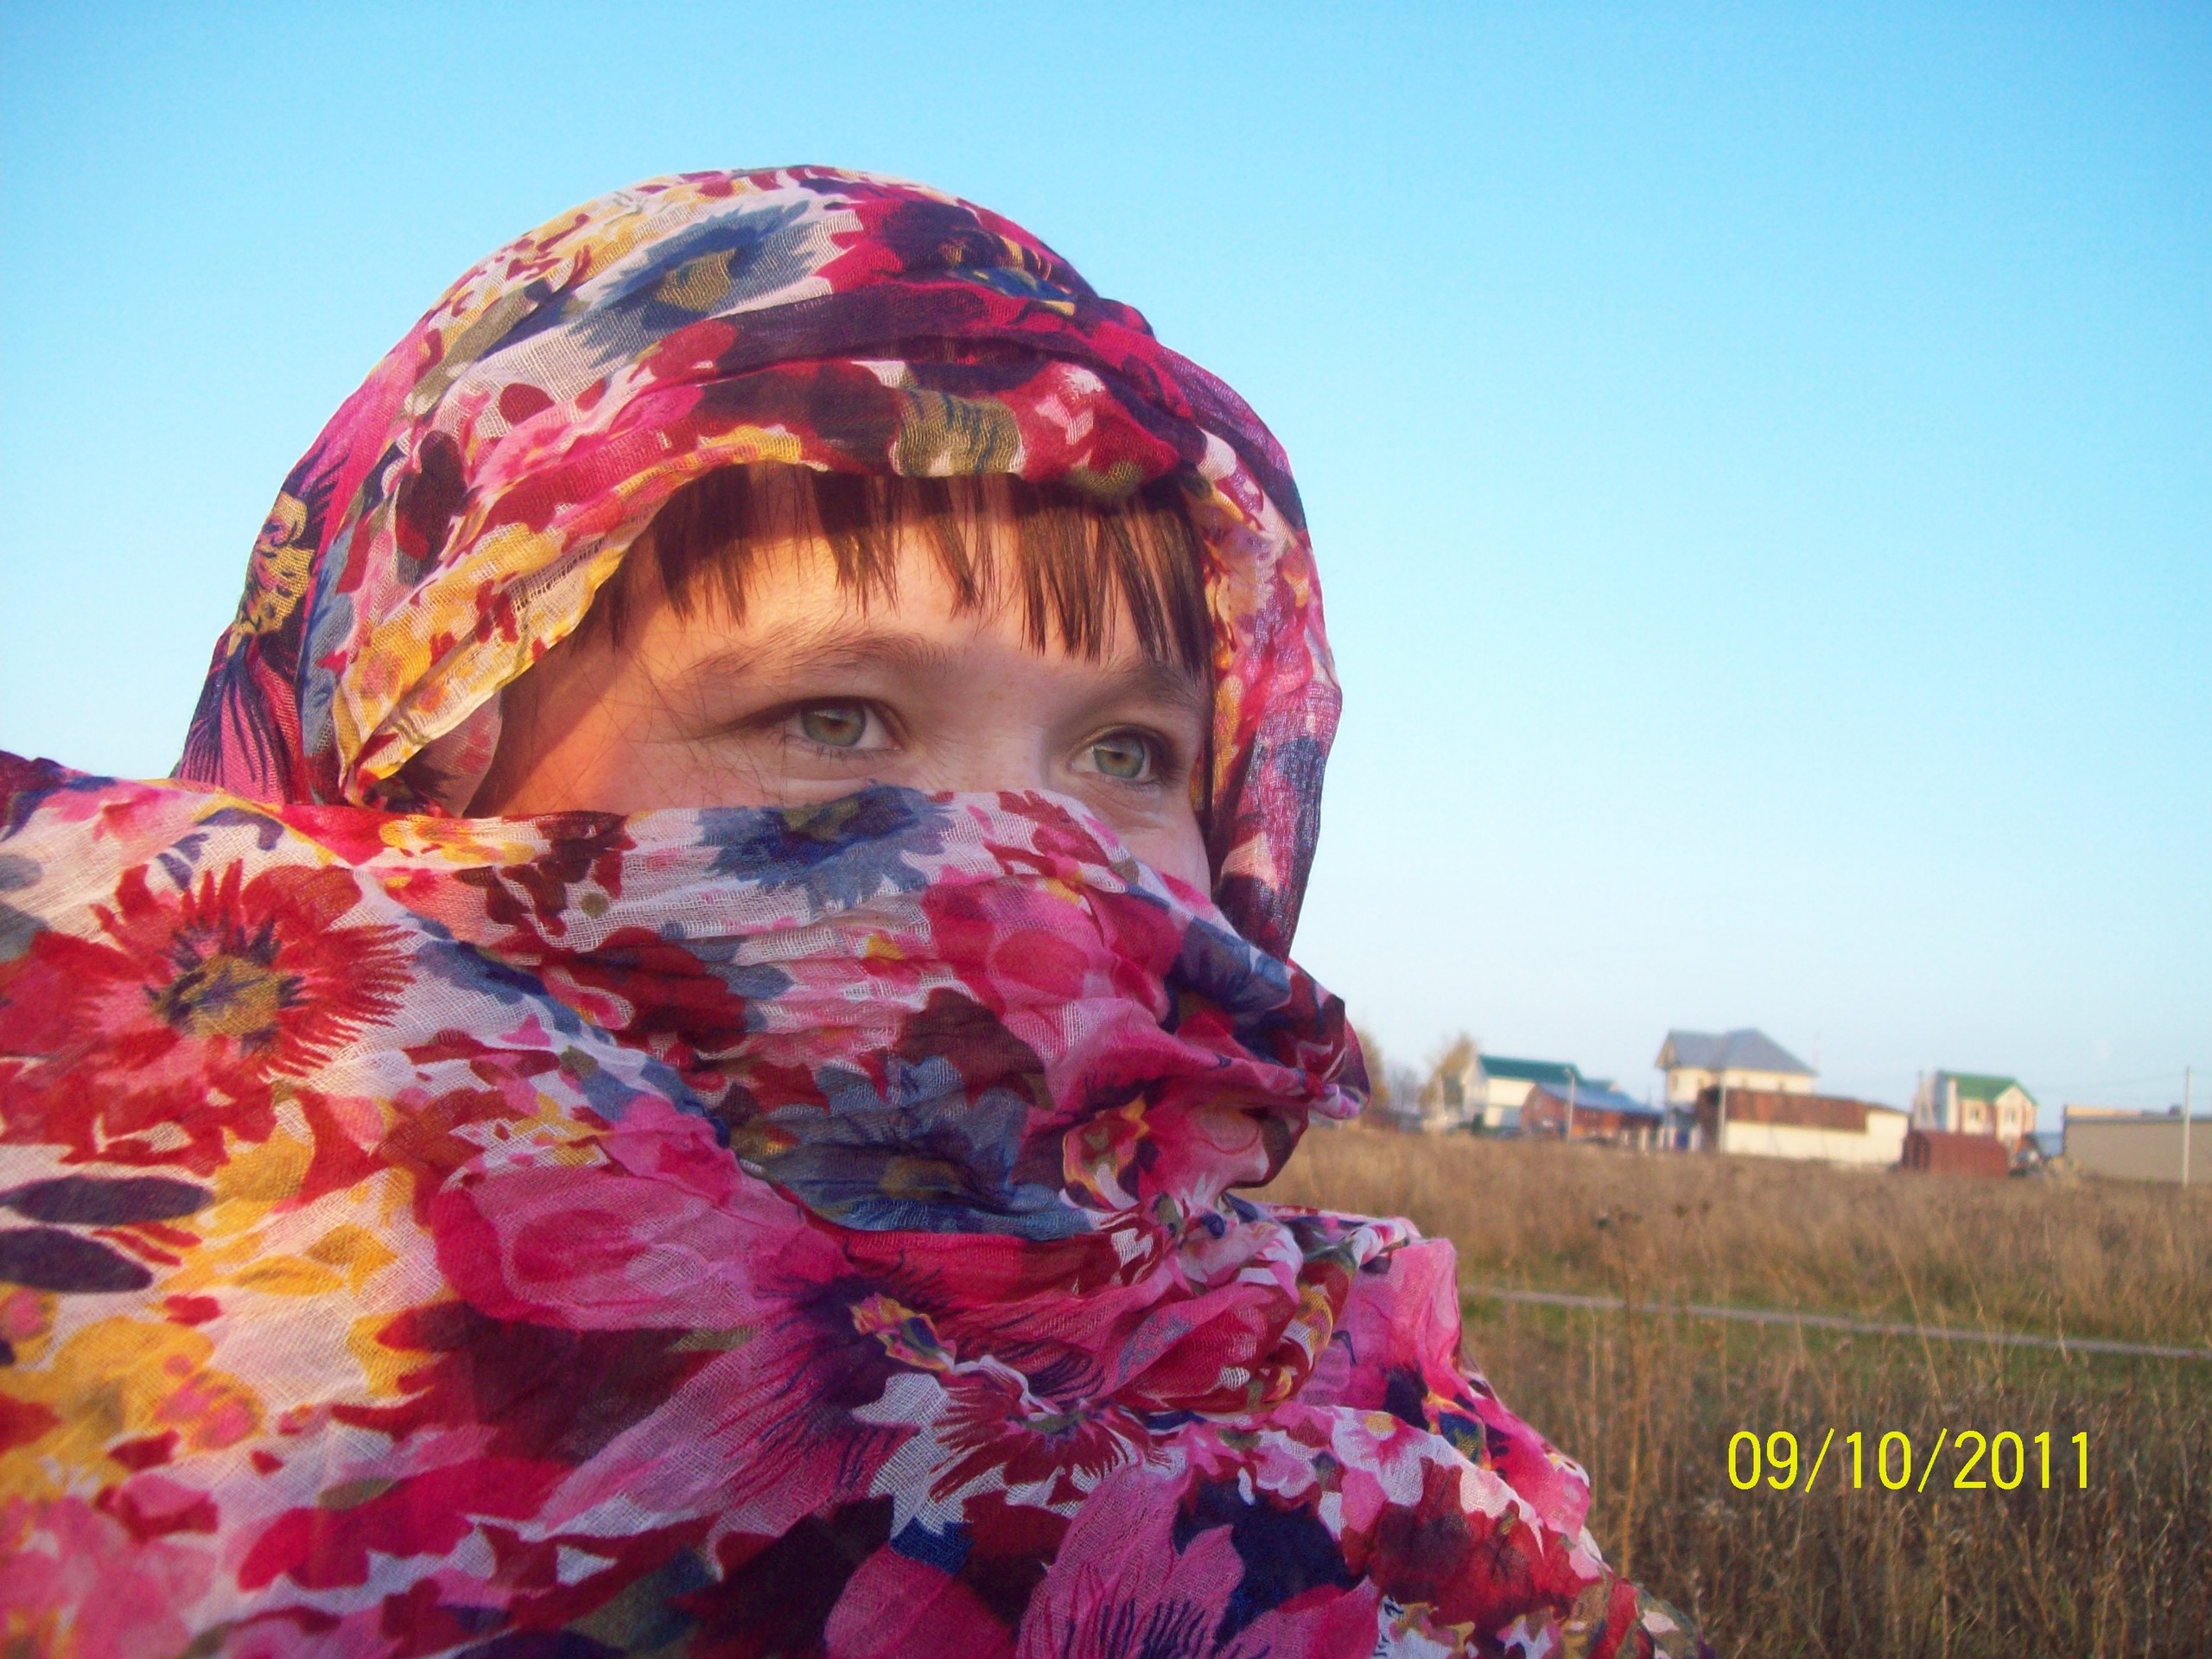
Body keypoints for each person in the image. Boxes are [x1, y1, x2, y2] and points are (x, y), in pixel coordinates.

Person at [0, 168, 1706, 1658]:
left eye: (1126, 752)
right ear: (414, 777)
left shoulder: (1371, 1431)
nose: (1033, 872)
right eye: (832, 717)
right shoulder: (112, 1398)